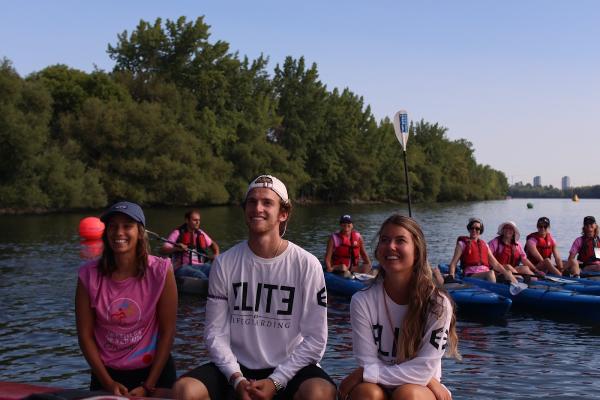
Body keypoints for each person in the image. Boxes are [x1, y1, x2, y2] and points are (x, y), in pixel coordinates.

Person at [174, 175, 336, 400]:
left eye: (267, 202)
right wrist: (236, 378)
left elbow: (316, 340)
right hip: (238, 368)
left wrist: (276, 381)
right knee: (185, 389)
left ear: (283, 213)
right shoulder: (224, 263)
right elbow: (215, 333)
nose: (257, 208)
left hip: (290, 369)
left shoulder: (306, 264)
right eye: (252, 201)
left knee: (320, 392)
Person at [339, 214, 459, 400]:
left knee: (407, 394)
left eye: (400, 240)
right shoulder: (362, 301)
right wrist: (367, 374)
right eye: (385, 240)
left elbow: (422, 371)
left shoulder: (437, 303)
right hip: (379, 386)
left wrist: (363, 374)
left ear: (417, 251)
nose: (391, 246)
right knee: (366, 393)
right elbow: (368, 362)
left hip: (420, 388)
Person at [75, 201, 177, 397]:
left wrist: (149, 386)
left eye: (127, 226)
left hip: (154, 373)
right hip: (107, 374)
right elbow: (85, 336)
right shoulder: (87, 275)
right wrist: (108, 383)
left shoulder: (161, 271)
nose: (118, 232)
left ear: (140, 232)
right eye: (113, 226)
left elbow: (167, 331)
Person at [447, 218, 526, 294]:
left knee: (508, 272)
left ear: (480, 231)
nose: (474, 230)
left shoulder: (484, 245)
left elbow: (496, 264)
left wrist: (506, 273)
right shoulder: (462, 244)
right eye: (472, 228)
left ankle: (520, 289)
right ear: (469, 229)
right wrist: (451, 276)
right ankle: (496, 295)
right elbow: (453, 264)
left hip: (485, 273)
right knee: (490, 273)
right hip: (471, 275)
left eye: (477, 229)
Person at [160, 209, 220, 279]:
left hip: (201, 266)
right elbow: (162, 250)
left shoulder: (200, 233)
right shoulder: (177, 233)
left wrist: (216, 254)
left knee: (216, 271)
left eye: (199, 220)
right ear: (187, 220)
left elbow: (213, 244)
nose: (198, 222)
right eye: (195, 220)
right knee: (200, 275)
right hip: (182, 268)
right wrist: (176, 248)